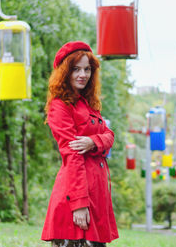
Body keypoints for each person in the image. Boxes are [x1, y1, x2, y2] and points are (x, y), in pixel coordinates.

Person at [41, 41, 119, 247]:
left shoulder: (87, 103)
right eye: (76, 69)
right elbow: (72, 155)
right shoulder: (60, 106)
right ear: (65, 72)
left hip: (97, 192)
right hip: (76, 192)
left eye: (86, 69)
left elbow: (109, 135)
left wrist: (93, 142)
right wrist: (79, 204)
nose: (82, 75)